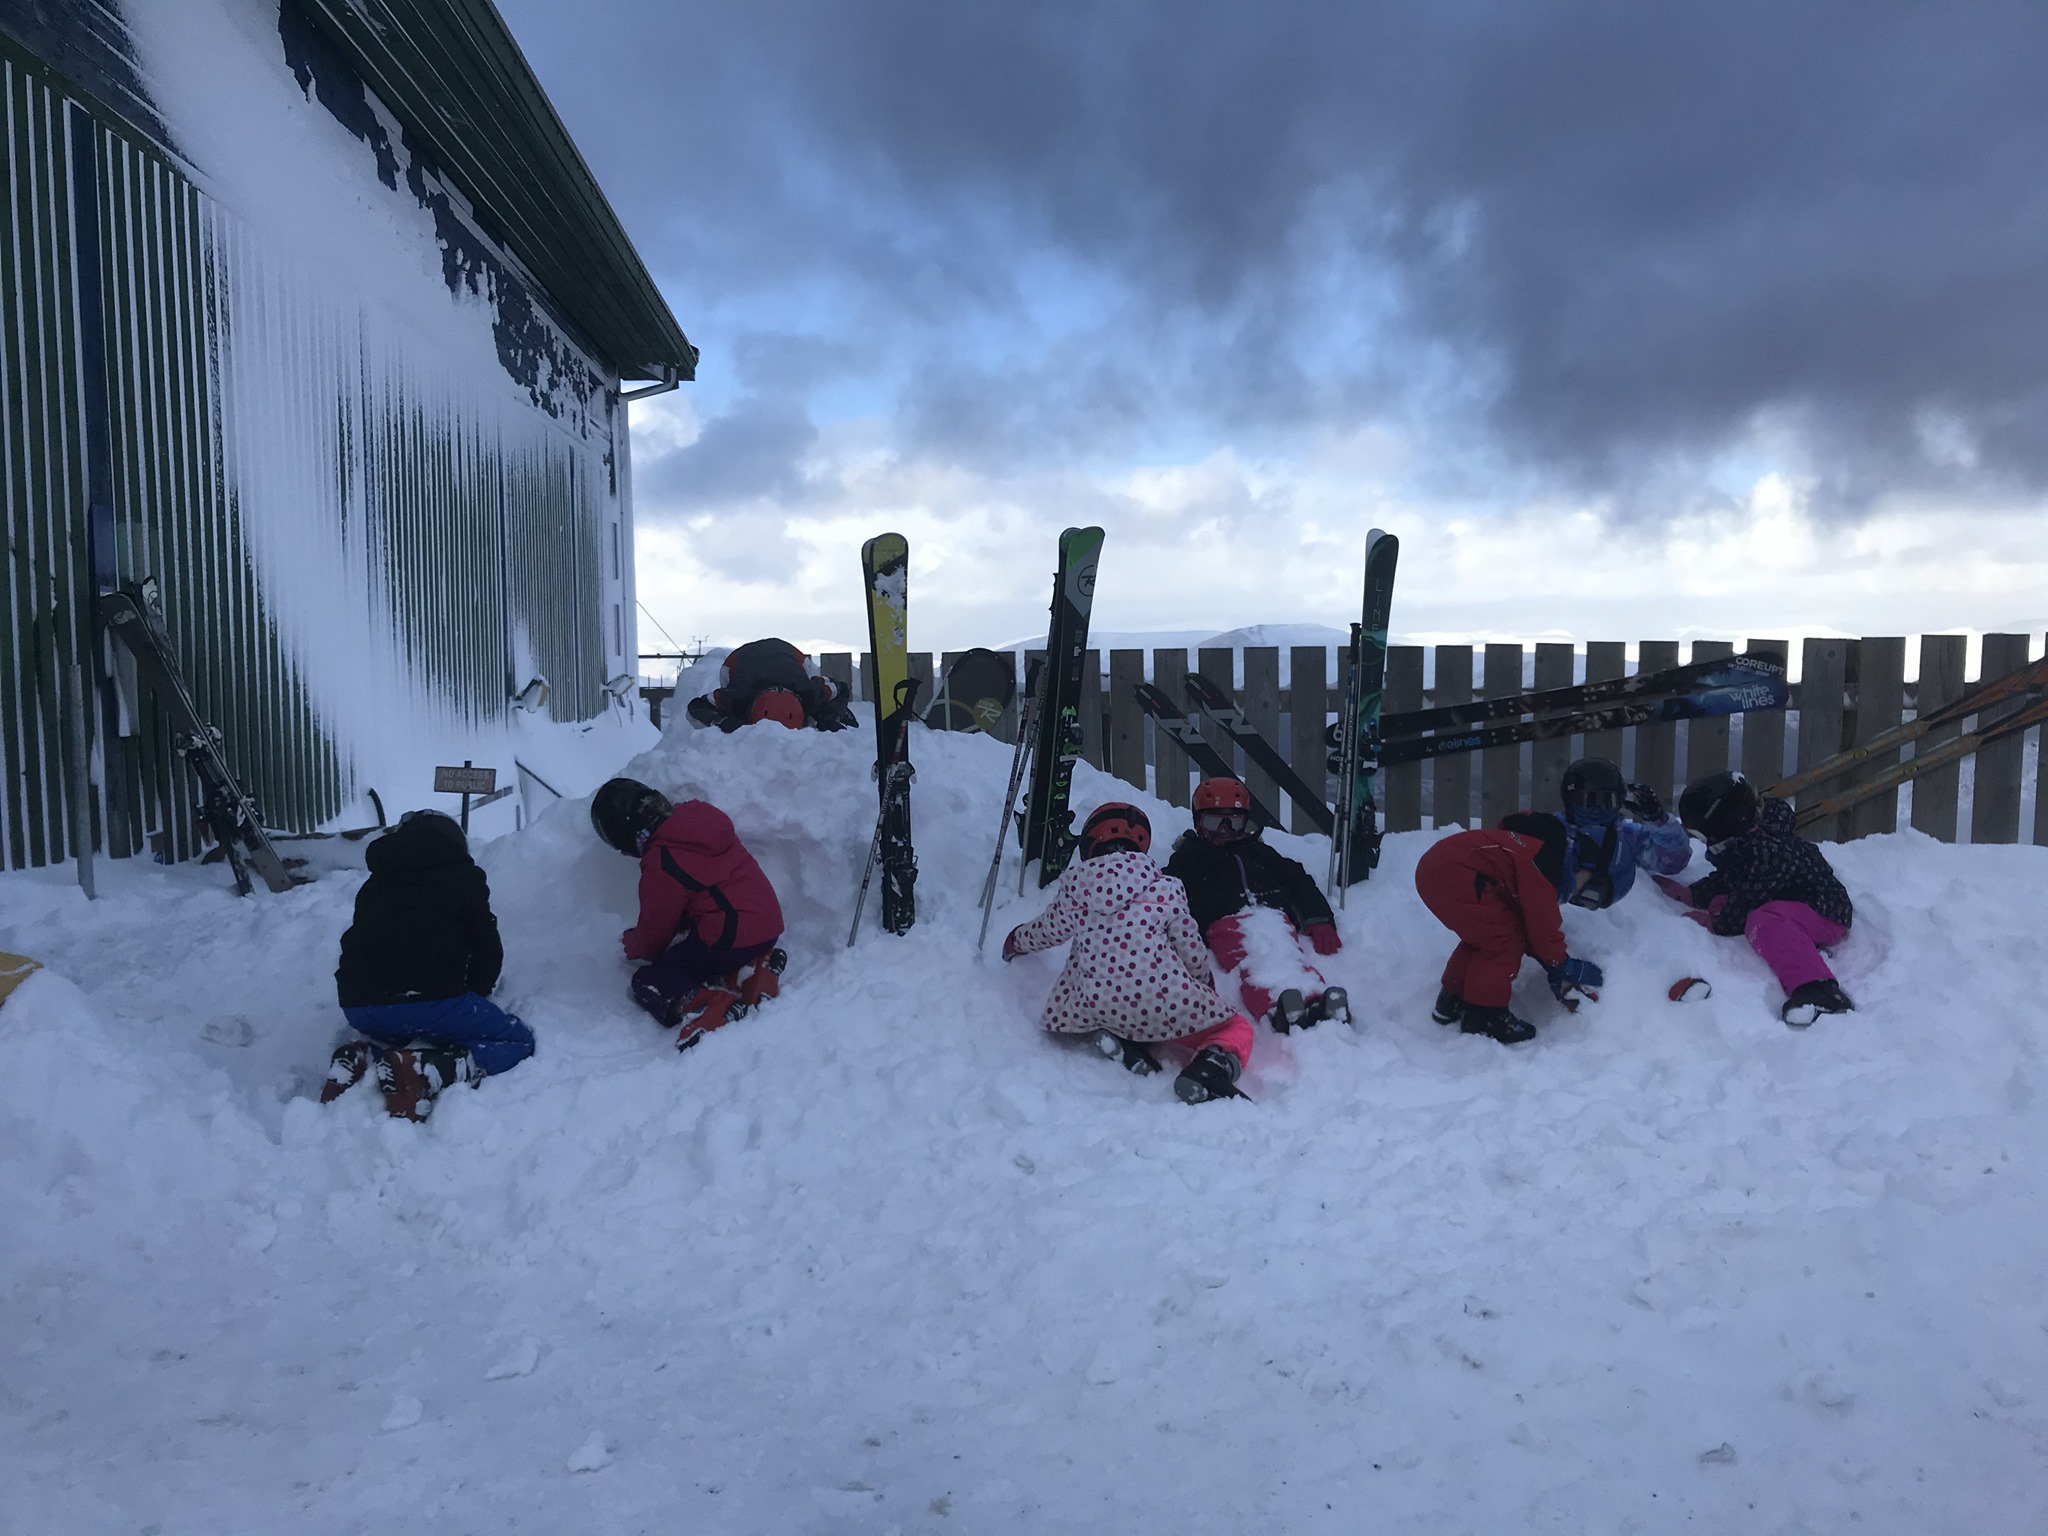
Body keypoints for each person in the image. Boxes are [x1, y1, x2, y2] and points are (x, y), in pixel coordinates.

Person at [1003, 802, 1255, 1104]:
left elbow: (1048, 931)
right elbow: (1191, 948)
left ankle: (1122, 1039)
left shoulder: (1076, 888)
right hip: (1165, 1002)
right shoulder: (1166, 888)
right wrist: (1203, 987)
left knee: (1107, 994)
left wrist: (1015, 941)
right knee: (1235, 1027)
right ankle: (1212, 1065)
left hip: (1099, 1007)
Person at [327, 810, 534, 1120]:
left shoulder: (377, 882)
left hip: (361, 1007)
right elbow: (487, 949)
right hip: (429, 1002)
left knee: (404, 1026)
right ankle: (431, 1069)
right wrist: (475, 994)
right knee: (517, 1039)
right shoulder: (463, 877)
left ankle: (366, 1057)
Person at [591, 777, 787, 1049]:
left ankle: (707, 1005)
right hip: (767, 921)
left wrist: (639, 944)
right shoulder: (697, 818)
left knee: (652, 979)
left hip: (731, 934)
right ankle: (752, 970)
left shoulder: (661, 861)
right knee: (703, 947)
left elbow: (655, 931)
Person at [1664, 771, 1855, 1027]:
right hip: (1791, 899)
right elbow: (1737, 877)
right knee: (1726, 904)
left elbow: (1744, 903)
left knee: (1762, 922)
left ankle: (1819, 991)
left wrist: (1715, 923)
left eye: (1701, 835)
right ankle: (1803, 947)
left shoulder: (1766, 854)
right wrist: (1695, 894)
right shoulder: (1751, 836)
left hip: (1824, 912)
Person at [1163, 777, 1348, 1031]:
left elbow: (1297, 881)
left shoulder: (1260, 853)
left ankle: (1317, 1000)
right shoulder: (1190, 858)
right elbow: (1164, 894)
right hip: (1224, 924)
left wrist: (1317, 918)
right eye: (1215, 822)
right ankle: (1278, 1010)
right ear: (1198, 823)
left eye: (1234, 822)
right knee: (1255, 968)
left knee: (1289, 958)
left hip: (1273, 918)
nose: (1225, 831)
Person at [1412, 814, 1605, 1044]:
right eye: (1588, 890)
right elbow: (1542, 927)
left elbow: (1530, 925)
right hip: (1456, 871)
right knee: (1503, 942)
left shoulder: (1535, 850)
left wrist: (1552, 963)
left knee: (1486, 937)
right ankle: (1484, 1015)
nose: (1576, 897)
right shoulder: (1546, 866)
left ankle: (1453, 998)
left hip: (1438, 866)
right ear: (1582, 865)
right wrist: (1561, 963)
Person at [1547, 757, 1692, 910]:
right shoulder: (1554, 832)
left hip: (1617, 921)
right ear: (1570, 801)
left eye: (1607, 800)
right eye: (1588, 800)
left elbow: (1673, 862)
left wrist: (1658, 819)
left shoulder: (1626, 836)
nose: (1598, 808)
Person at [685, 638, 857, 732]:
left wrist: (828, 717)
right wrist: (722, 721)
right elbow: (695, 708)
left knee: (820, 712)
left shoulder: (811, 693)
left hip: (790, 655)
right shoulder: (736, 698)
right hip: (737, 660)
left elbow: (840, 689)